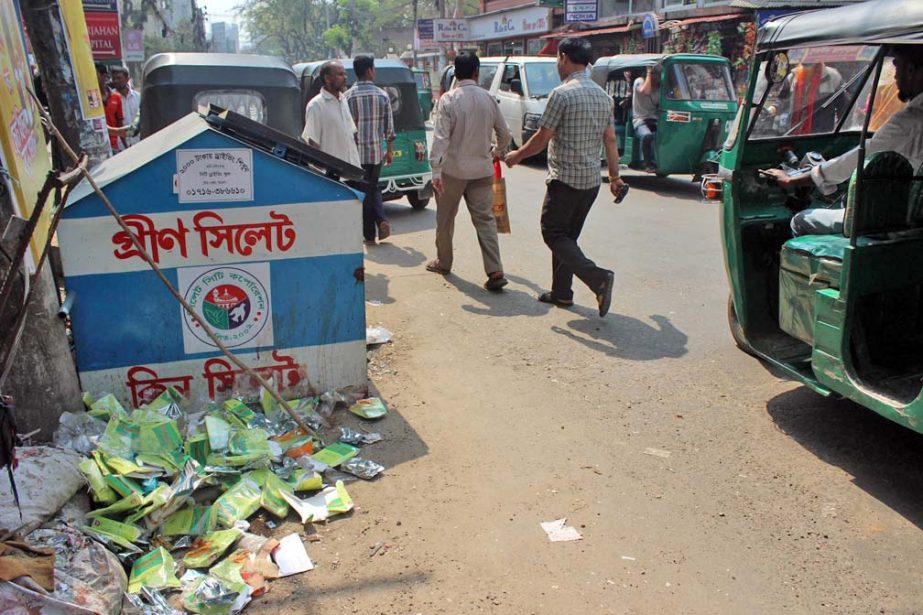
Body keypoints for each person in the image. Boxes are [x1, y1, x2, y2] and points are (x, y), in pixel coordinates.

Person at [504, 37, 626, 317]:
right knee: (567, 237)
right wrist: (615, 177)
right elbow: (610, 141)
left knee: (554, 233)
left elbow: (542, 137)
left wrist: (516, 156)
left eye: (558, 60)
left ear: (563, 58)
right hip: (591, 183)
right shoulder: (602, 96)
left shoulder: (562, 94)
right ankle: (562, 293)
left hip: (565, 181)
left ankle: (598, 279)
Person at [762, 45, 923, 237]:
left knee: (801, 220)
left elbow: (859, 159)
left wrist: (791, 179)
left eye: (896, 67)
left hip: (896, 221)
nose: (894, 77)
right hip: (912, 215)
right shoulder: (794, 78)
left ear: (911, 70)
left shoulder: (910, 120)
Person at [426, 51, 512, 291]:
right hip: (482, 171)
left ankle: (443, 262)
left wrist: (435, 172)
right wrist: (496, 152)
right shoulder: (488, 99)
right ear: (477, 72)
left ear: (455, 73)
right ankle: (495, 270)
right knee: (485, 221)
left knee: (445, 220)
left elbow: (440, 139)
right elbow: (505, 135)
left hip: (452, 172)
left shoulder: (448, 100)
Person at [345, 55, 395, 243]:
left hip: (355, 155)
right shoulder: (382, 95)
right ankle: (380, 219)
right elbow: (389, 127)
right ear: (369, 71)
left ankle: (369, 233)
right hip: (376, 153)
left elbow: (346, 128)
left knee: (363, 191)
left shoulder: (348, 97)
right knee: (373, 188)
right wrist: (389, 150)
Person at [302, 61, 361, 168]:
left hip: (351, 170)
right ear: (328, 78)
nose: (345, 77)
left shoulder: (343, 100)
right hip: (331, 174)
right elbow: (313, 143)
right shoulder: (316, 105)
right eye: (340, 74)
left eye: (345, 74)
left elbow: (350, 135)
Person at [632, 64, 660, 172]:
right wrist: (649, 72)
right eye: (656, 75)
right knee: (647, 136)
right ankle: (647, 164)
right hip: (640, 120)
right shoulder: (639, 81)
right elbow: (645, 91)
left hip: (654, 119)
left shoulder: (659, 90)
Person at [96, 63, 123, 153]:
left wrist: (125, 145)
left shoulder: (116, 97)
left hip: (114, 145)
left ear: (104, 76)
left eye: (97, 75)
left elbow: (120, 122)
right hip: (97, 146)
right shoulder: (89, 98)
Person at [110, 65, 140, 149]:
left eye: (119, 78)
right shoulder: (110, 99)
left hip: (138, 143)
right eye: (114, 78)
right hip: (119, 147)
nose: (116, 81)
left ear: (127, 79)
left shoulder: (138, 97)